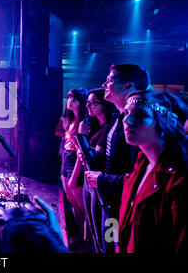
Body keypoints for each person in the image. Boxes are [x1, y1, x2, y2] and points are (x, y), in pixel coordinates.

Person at [85, 63, 149, 252]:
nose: (104, 85)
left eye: (110, 80)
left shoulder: (136, 125)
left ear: (129, 87)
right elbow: (116, 162)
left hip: (122, 207)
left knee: (113, 248)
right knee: (106, 246)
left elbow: (138, 178)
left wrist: (102, 179)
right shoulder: (118, 119)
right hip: (111, 203)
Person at [119, 90, 187, 253]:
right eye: (126, 113)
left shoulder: (179, 178)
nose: (127, 120)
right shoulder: (141, 164)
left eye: (141, 115)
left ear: (166, 122)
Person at [71, 88, 117, 252]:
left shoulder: (109, 129)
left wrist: (81, 138)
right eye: (88, 102)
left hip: (99, 185)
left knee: (102, 234)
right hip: (89, 182)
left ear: (104, 105)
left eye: (93, 102)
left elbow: (93, 160)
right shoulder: (98, 126)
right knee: (94, 229)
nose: (89, 105)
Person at [59, 88, 89, 249]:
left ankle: (86, 241)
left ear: (81, 102)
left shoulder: (83, 122)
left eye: (74, 99)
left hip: (73, 161)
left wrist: (75, 174)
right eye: (69, 97)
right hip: (66, 158)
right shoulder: (72, 119)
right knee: (72, 203)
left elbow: (81, 152)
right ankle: (79, 235)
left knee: (81, 205)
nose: (69, 101)